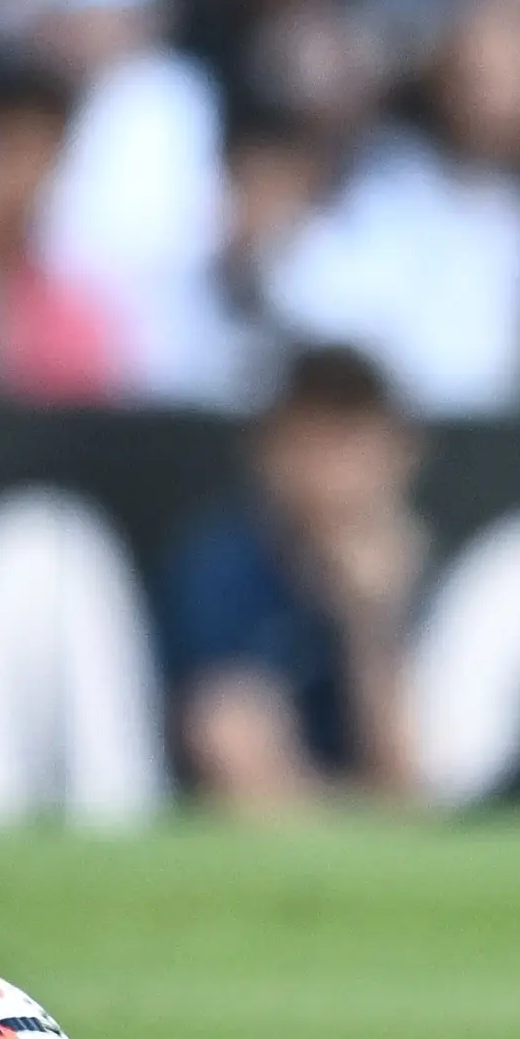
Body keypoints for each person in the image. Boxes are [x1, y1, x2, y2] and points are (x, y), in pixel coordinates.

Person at [159, 344, 424, 813]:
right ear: (273, 454)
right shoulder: (225, 570)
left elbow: (410, 788)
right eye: (317, 447)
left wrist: (368, 622)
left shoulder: (407, 567)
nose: (337, 477)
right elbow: (245, 772)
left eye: (352, 447)